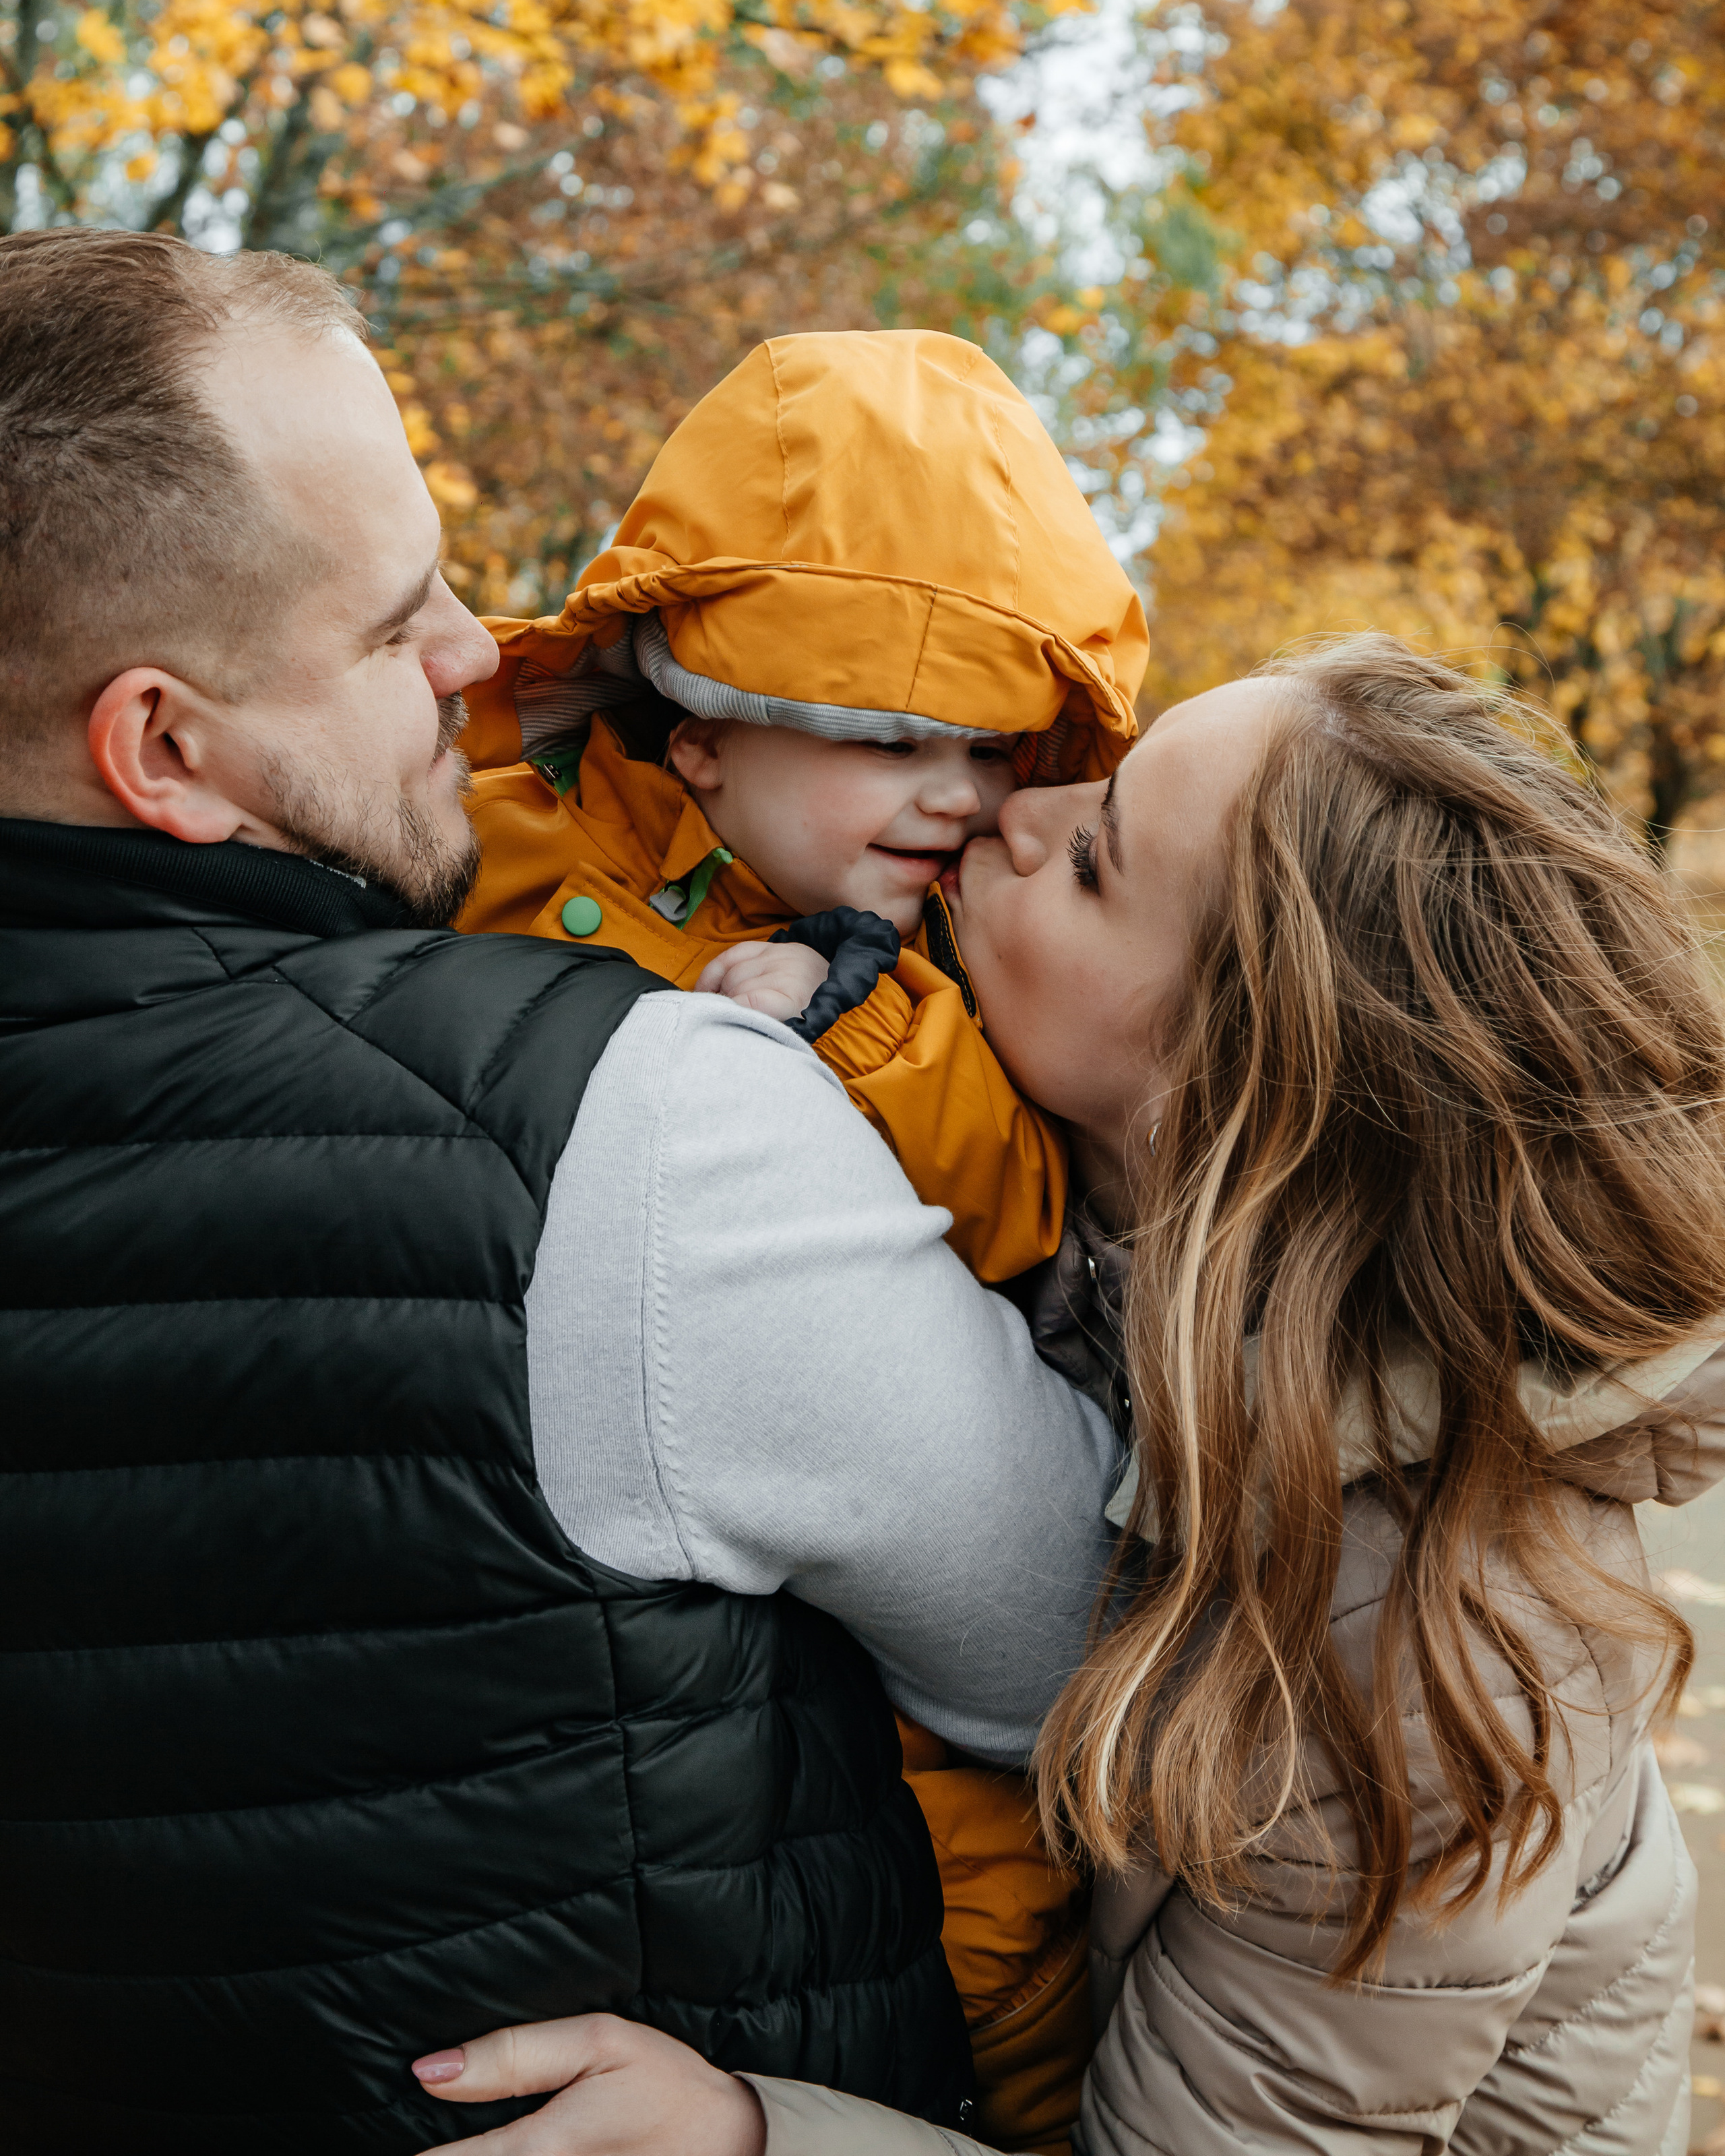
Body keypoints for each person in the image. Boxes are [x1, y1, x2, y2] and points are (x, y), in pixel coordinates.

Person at [0, 228, 1119, 2153]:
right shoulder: (633, 1122)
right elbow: (1084, 1644)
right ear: (166, 745)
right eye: (390, 625)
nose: (480, 659)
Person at [414, 636, 1725, 2156]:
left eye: (1094, 856)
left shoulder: (1426, 1656)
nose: (1015, 812)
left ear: (1226, 1087)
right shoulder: (1107, 1243)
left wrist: (746, 2135)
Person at [454, 328, 1148, 2149]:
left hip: (905, 1620)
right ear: (700, 728)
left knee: (987, 1936)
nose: (959, 796)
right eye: (889, 739)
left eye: (994, 748)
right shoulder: (486, 853)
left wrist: (860, 1025)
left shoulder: (945, 974)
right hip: (564, 1566)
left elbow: (1026, 1207)